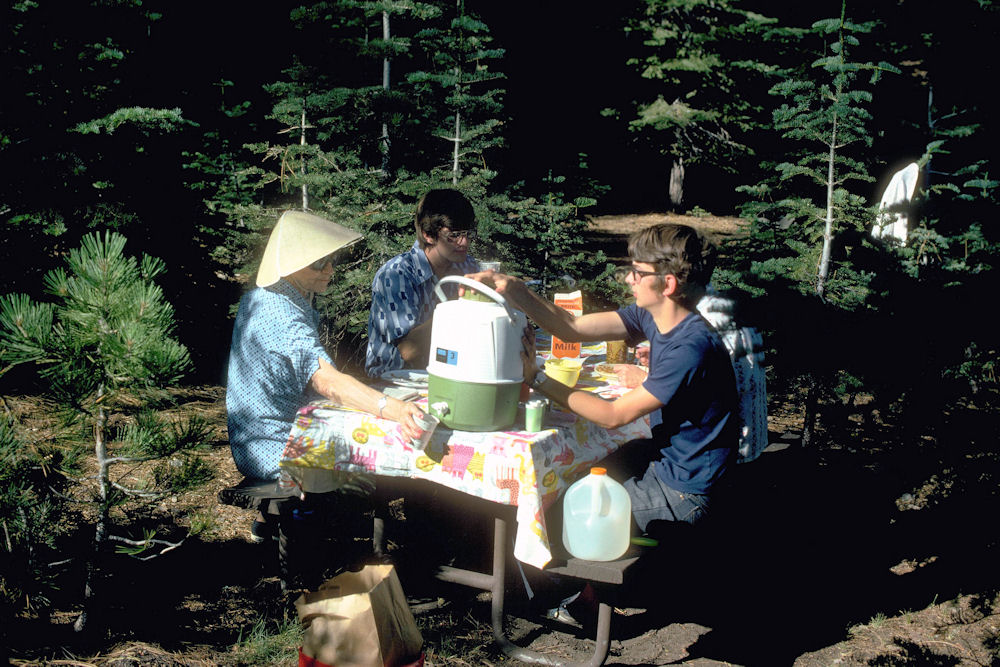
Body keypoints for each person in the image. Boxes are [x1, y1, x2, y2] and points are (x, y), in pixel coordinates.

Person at [468, 223, 738, 532]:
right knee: (573, 481)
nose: (628, 279)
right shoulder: (653, 316)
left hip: (686, 492)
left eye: (638, 273)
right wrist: (515, 289)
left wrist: (537, 378)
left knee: (554, 519)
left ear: (668, 285)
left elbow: (613, 415)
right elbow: (572, 326)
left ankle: (567, 579)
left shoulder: (689, 347)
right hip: (668, 465)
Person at [226, 209, 425, 542]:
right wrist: (396, 409)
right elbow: (327, 382)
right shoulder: (282, 314)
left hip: (253, 436)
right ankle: (339, 535)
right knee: (373, 465)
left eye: (330, 260)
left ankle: (275, 523)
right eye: (319, 263)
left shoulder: (263, 298)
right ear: (291, 266)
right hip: (275, 448)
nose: (330, 268)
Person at [365, 188, 480, 377]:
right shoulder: (397, 274)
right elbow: (409, 351)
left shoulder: (468, 267)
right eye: (454, 235)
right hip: (394, 381)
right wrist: (459, 311)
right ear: (428, 234)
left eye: (468, 233)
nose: (464, 242)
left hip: (449, 373)